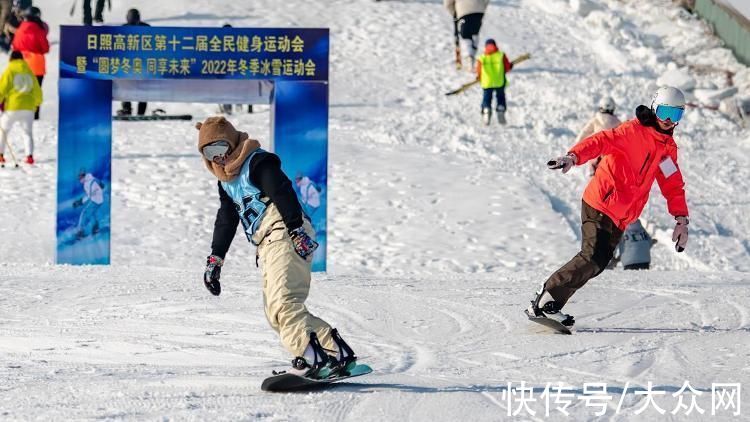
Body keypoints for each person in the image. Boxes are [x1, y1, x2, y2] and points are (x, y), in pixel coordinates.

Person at [196, 116, 357, 378]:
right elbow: (226, 219)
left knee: (284, 304)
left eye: (221, 148)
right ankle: (335, 353)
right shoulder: (225, 180)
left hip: (284, 232)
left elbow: (282, 191)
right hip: (267, 243)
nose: (218, 158)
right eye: (209, 153)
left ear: (233, 143)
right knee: (276, 313)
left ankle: (315, 358)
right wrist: (216, 259)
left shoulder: (257, 161)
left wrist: (295, 229)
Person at [527, 86, 690, 326]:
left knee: (599, 262)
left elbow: (673, 184)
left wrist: (681, 220)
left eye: (675, 115)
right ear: (655, 108)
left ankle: (551, 303)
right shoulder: (632, 131)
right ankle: (545, 301)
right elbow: (601, 141)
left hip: (620, 216)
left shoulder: (666, 149)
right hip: (601, 202)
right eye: (665, 112)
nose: (668, 120)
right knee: (592, 257)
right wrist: (573, 157)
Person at [0, 50, 41, 165]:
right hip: (28, 107)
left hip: (12, 107)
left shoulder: (10, 70)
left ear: (11, 59)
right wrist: (37, 103)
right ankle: (29, 156)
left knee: (3, 131)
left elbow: (2, 88)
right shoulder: (29, 71)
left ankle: (1, 155)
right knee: (27, 133)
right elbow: (37, 90)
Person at [11, 5, 47, 120]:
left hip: (22, 64)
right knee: (36, 92)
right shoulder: (39, 29)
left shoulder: (20, 29)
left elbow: (15, 46)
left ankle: (21, 114)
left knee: (22, 90)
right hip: (36, 64)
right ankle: (34, 116)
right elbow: (45, 48)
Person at [576, 96, 621, 177]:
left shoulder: (596, 119)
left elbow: (585, 132)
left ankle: (593, 174)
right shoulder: (617, 122)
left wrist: (577, 145)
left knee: (594, 169)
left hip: (596, 150)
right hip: (609, 152)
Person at [117, 9, 149, 116]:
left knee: (143, 89)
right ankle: (127, 109)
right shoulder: (123, 28)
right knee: (126, 87)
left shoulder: (146, 28)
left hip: (143, 64)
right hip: (128, 64)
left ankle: (140, 113)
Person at [444, 0, 489, 70]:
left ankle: (469, 57)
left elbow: (448, 4)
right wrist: (482, 7)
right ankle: (472, 56)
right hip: (479, 11)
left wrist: (455, 13)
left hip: (463, 12)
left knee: (465, 35)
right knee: (474, 33)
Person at [476, 38, 512, 125]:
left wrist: (478, 77)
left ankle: (486, 111)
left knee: (487, 98)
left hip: (487, 82)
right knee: (500, 97)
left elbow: (479, 70)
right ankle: (500, 109)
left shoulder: (482, 57)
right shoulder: (501, 55)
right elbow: (507, 68)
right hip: (499, 81)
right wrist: (510, 66)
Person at [72, 170, 104, 239]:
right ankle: (96, 228)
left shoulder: (88, 183)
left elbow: (89, 196)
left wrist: (79, 202)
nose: (79, 180)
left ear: (83, 177)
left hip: (96, 200)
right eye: (79, 178)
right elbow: (101, 184)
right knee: (92, 213)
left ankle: (81, 232)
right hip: (98, 199)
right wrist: (99, 188)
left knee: (85, 213)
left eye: (80, 178)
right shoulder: (91, 178)